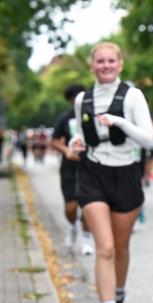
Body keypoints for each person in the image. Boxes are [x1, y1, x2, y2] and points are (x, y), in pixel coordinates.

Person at [69, 42, 153, 303]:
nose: (105, 66)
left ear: (120, 64)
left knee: (120, 248)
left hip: (126, 175)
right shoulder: (83, 99)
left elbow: (148, 140)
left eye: (111, 61)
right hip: (92, 173)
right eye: (100, 61)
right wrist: (75, 144)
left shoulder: (132, 96)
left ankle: (118, 298)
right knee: (104, 247)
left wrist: (118, 120)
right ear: (92, 66)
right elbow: (81, 135)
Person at [51, 84, 94, 255]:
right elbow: (54, 140)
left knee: (88, 206)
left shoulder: (92, 115)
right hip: (69, 168)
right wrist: (67, 151)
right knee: (71, 207)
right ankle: (73, 226)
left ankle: (86, 239)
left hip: (90, 167)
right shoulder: (65, 119)